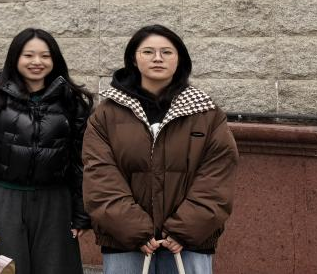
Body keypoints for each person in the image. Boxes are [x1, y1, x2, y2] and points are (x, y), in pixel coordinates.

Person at [83, 25, 238, 274]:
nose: (158, 58)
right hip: (125, 242)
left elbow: (217, 177)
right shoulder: (106, 114)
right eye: (148, 52)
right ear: (134, 59)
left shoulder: (206, 114)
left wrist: (183, 230)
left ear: (180, 60)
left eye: (167, 52)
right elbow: (100, 178)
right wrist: (136, 230)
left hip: (188, 244)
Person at [0, 28, 93, 274]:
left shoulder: (71, 103)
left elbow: (81, 161)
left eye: (45, 56)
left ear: (55, 60)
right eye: (28, 55)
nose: (37, 62)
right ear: (15, 58)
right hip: (3, 201)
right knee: (4, 268)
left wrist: (81, 212)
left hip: (55, 203)